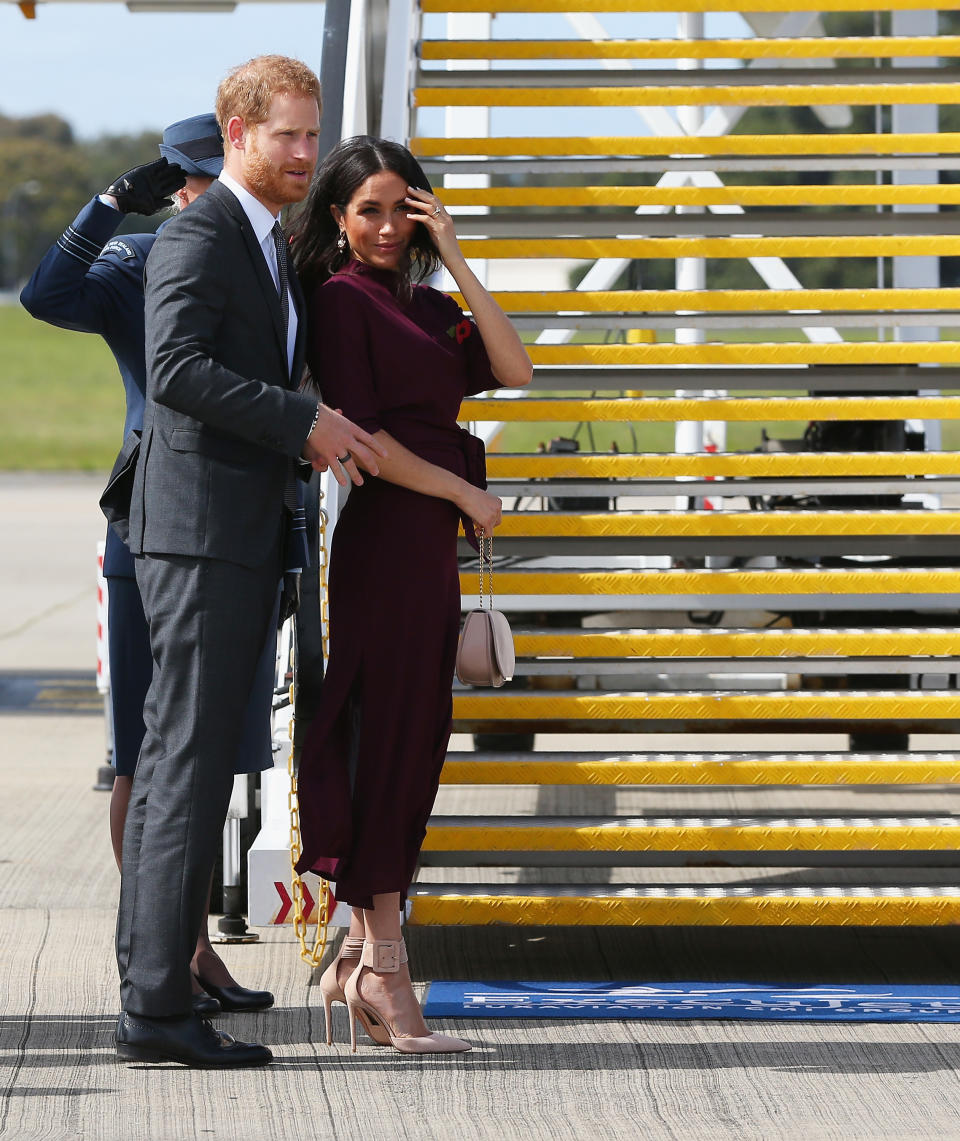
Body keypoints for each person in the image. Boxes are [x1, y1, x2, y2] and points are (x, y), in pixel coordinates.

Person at [113, 57, 387, 1069]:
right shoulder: (198, 232)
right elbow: (177, 370)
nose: (306, 157)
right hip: (197, 533)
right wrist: (302, 421)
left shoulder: (266, 243)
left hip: (230, 531)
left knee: (177, 770)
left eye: (315, 138)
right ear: (236, 133)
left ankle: (155, 992)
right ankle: (155, 1009)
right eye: (289, 138)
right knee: (182, 772)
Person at [20, 114, 277, 1019]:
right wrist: (103, 208)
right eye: (198, 179)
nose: (216, 193)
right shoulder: (142, 259)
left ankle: (188, 943)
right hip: (150, 526)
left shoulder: (273, 254)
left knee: (221, 755)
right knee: (144, 752)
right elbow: (45, 297)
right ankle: (175, 950)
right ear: (175, 183)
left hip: (244, 529)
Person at [288, 136, 532, 1054]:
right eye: (369, 211)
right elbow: (367, 442)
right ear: (340, 223)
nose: (388, 228)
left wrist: (458, 256)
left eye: (403, 209)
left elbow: (513, 370)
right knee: (386, 744)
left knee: (414, 745)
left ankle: (359, 960)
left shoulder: (430, 306)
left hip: (431, 553)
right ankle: (385, 966)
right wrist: (465, 491)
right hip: (388, 544)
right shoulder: (339, 303)